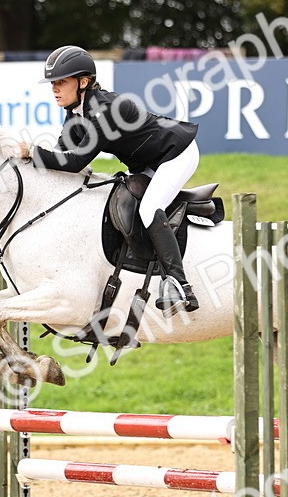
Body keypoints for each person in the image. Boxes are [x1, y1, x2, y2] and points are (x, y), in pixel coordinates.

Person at [19, 45, 200, 315]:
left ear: (83, 82)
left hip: (176, 153)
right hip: (148, 162)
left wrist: (34, 152)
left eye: (61, 82)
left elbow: (78, 161)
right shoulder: (75, 112)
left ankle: (179, 285)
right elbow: (60, 155)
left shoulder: (104, 110)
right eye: (52, 83)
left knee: (150, 208)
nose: (54, 89)